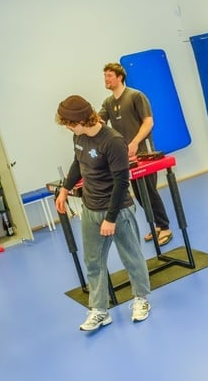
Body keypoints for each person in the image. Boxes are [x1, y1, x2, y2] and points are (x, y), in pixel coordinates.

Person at [54, 95, 152, 331]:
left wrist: (110, 218)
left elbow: (121, 182)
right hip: (90, 208)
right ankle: (99, 310)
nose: (68, 128)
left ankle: (141, 299)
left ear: (80, 120)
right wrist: (65, 190)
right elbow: (77, 164)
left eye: (68, 123)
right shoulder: (78, 136)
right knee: (93, 262)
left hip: (118, 210)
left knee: (131, 256)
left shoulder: (113, 141)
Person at [98, 62, 172, 246]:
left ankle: (165, 227)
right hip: (125, 155)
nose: (106, 79)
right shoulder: (108, 103)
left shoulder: (136, 96)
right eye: (104, 76)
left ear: (119, 77)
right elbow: (99, 121)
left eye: (109, 75)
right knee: (139, 194)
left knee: (149, 191)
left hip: (143, 152)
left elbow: (148, 122)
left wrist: (135, 142)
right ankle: (157, 224)